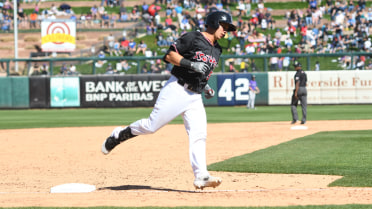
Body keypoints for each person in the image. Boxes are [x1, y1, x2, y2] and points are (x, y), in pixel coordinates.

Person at [101, 11, 236, 190]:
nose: (226, 31)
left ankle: (201, 175)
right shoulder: (193, 38)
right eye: (224, 26)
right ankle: (119, 134)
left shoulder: (217, 49)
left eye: (228, 28)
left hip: (195, 96)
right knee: (151, 126)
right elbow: (169, 56)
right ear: (213, 22)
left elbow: (202, 73)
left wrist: (206, 86)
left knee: (199, 134)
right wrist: (191, 64)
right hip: (177, 89)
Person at [291, 61, 307, 125]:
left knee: (293, 104)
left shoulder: (297, 74)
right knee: (304, 106)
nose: (294, 67)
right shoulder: (304, 73)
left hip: (299, 89)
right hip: (304, 89)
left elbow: (297, 83)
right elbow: (305, 82)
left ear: (298, 67)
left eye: (295, 66)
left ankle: (295, 119)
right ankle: (304, 120)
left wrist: (296, 92)